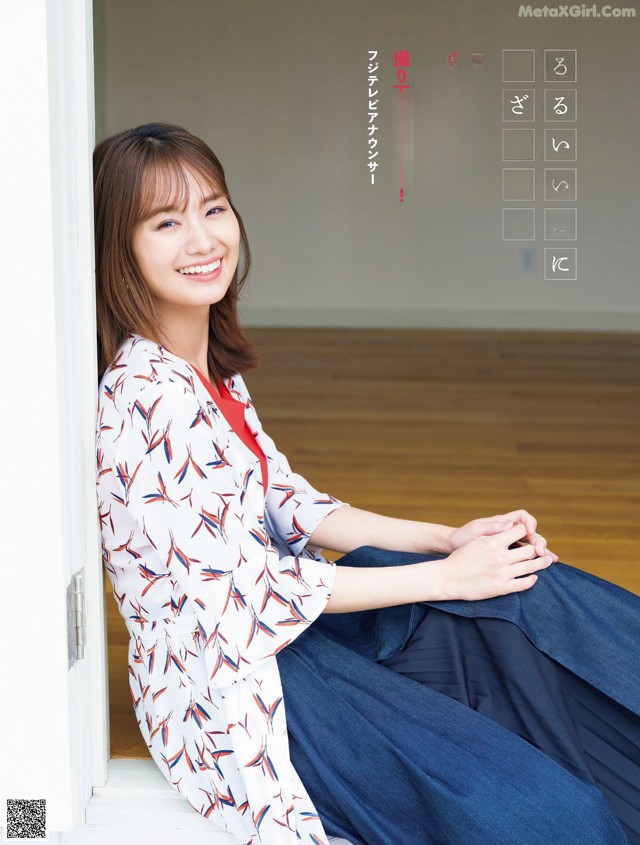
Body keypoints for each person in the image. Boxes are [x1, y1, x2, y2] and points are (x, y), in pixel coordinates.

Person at [94, 122, 640, 845]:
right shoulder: (145, 392)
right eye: (166, 222)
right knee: (548, 817)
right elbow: (248, 595)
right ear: (120, 248)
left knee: (526, 593)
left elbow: (287, 500)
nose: (202, 240)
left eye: (214, 208)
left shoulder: (201, 367)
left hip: (293, 636)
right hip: (242, 689)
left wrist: (449, 539)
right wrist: (446, 575)